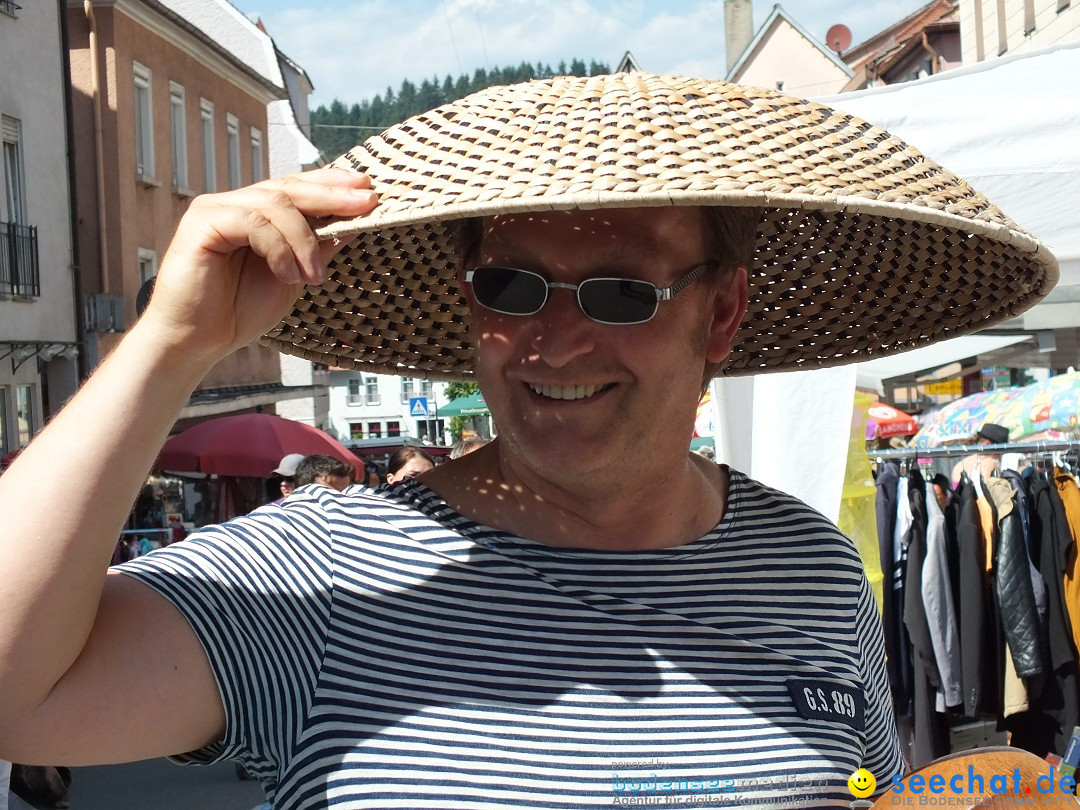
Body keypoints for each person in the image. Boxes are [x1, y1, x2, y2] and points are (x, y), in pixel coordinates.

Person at [0, 73, 1057, 808]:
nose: (555, 339)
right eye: (511, 285)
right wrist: (166, 348)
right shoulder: (325, 571)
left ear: (721, 316)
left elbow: (861, 785)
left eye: (619, 290)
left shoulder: (809, 569)